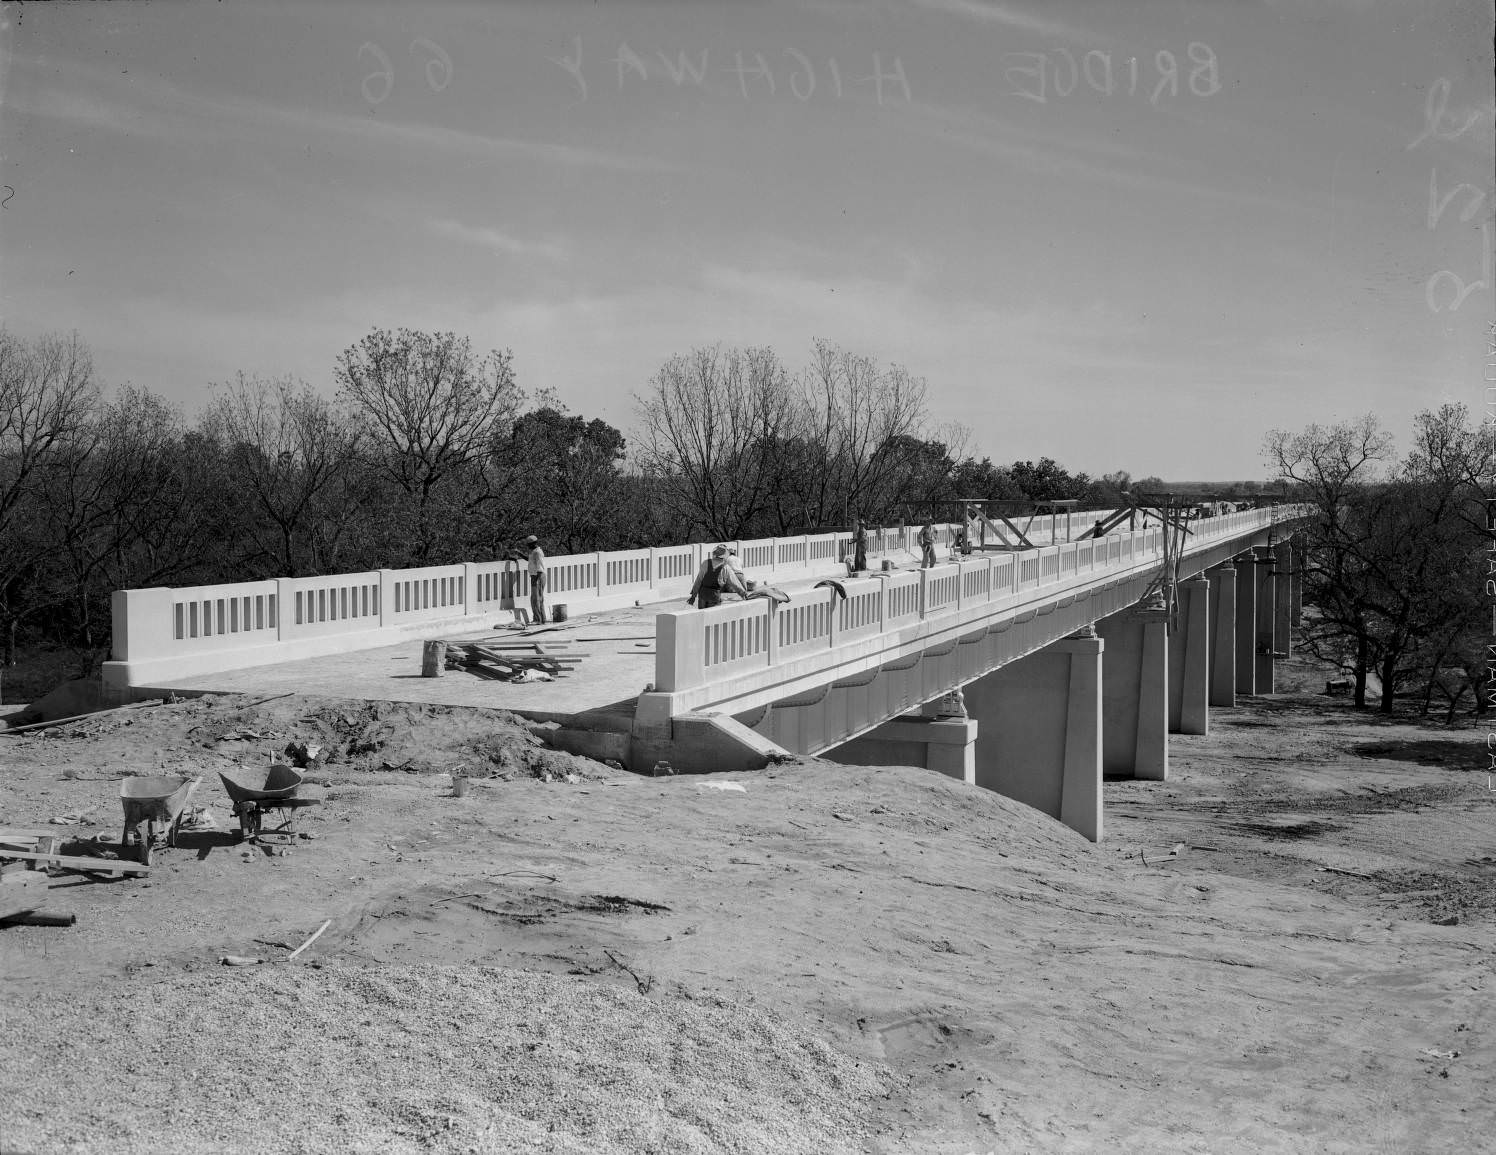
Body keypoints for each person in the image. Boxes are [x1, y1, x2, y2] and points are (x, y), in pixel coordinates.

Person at [688, 545, 746, 609]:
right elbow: (734, 582)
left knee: (701, 616)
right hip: (714, 596)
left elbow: (698, 580)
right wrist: (743, 593)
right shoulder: (726, 567)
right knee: (712, 617)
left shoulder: (706, 563)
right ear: (725, 555)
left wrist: (693, 596)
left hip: (703, 595)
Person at [524, 534, 547, 625]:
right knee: (539, 598)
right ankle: (542, 619)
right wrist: (519, 554)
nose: (528, 546)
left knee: (535, 599)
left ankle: (537, 619)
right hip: (536, 576)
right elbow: (530, 560)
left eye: (529, 544)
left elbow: (540, 567)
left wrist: (535, 580)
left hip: (538, 576)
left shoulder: (537, 552)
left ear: (533, 544)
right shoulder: (534, 551)